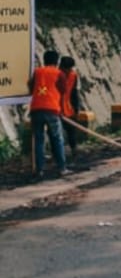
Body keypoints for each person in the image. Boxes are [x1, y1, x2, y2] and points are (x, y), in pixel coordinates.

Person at [28, 50, 67, 180]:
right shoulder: (59, 73)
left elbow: (31, 87)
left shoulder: (37, 72)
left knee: (38, 140)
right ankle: (61, 168)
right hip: (52, 110)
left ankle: (39, 170)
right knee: (57, 138)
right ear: (56, 61)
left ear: (44, 60)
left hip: (36, 109)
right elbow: (63, 90)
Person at [58, 55, 82, 162]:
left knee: (71, 130)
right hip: (56, 109)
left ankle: (74, 150)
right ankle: (58, 155)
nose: (70, 70)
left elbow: (74, 93)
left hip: (68, 108)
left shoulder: (73, 76)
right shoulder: (56, 75)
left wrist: (76, 109)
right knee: (56, 133)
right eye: (68, 68)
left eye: (71, 68)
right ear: (62, 67)